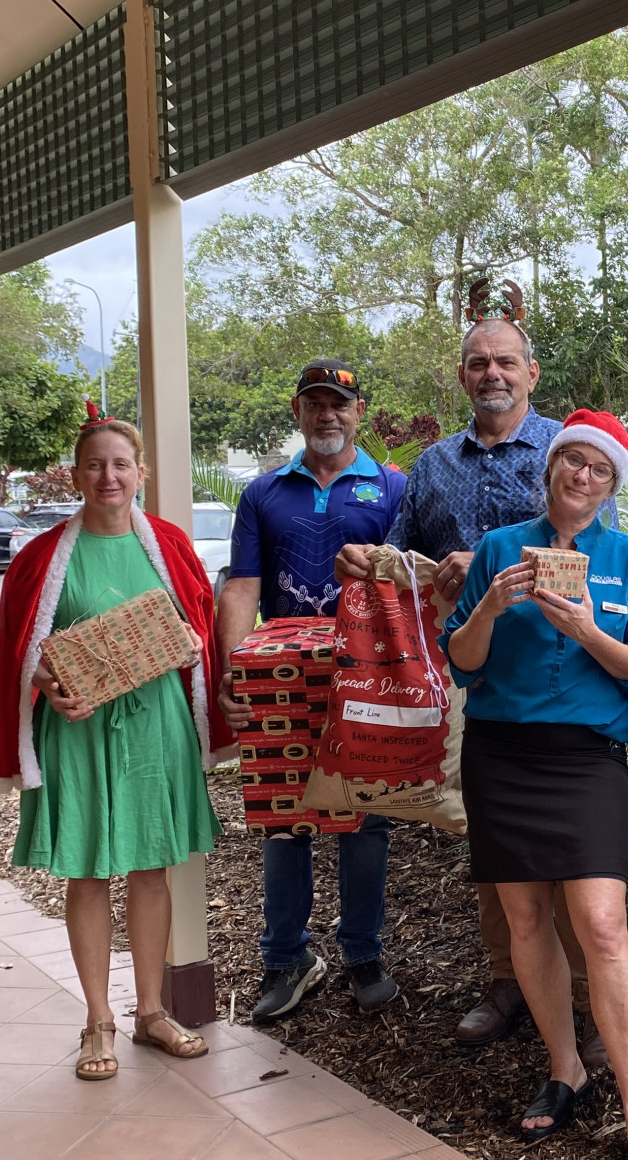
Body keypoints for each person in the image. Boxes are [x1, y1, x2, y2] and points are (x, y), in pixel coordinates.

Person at [336, 302, 606, 1059]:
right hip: (472, 671)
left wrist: (485, 552)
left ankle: (592, 993)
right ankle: (508, 981)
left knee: (574, 850)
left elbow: (604, 536)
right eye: (479, 363)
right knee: (496, 840)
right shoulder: (433, 465)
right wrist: (366, 563)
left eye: (506, 361)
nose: (493, 373)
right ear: (463, 375)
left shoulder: (568, 448)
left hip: (568, 673)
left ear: (532, 372)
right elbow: (398, 557)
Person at [441, 410, 628, 1160]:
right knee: (526, 920)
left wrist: (586, 632)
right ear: (550, 468)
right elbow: (463, 662)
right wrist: (487, 605)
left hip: (585, 757)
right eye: (571, 461)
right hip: (502, 753)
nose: (582, 475)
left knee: (603, 925)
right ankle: (565, 1068)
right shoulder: (500, 548)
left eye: (598, 468)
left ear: (611, 485)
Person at [0, 410, 234, 1080]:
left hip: (156, 727)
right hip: (78, 728)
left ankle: (151, 1011)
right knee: (89, 871)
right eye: (95, 464)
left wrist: (189, 644)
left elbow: (197, 630)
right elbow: (20, 651)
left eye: (121, 463)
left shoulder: (173, 546)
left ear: (141, 472)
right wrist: (48, 682)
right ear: (76, 474)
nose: (108, 475)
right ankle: (98, 1020)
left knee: (151, 865)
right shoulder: (40, 557)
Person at [216, 360, 407, 1021]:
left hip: (364, 677)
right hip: (280, 679)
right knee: (282, 816)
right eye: (315, 403)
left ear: (359, 410)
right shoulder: (264, 494)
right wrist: (232, 670)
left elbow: (409, 585)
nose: (329, 415)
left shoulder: (392, 488)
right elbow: (241, 585)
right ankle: (286, 955)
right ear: (297, 411)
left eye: (341, 403)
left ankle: (362, 952)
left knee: (365, 818)